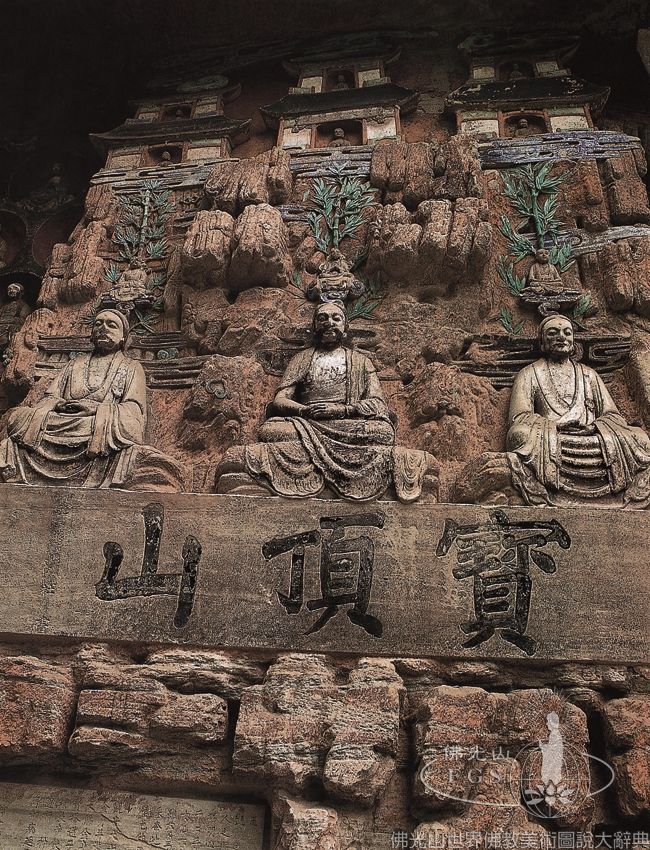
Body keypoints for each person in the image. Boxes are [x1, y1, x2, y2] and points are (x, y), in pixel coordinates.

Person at [244, 301, 396, 500]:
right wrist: (304, 411)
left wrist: (343, 410)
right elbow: (280, 400)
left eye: (336, 318)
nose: (329, 323)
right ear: (314, 326)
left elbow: (377, 404)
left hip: (347, 424)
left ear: (345, 327)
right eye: (322, 318)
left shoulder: (361, 361)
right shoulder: (303, 358)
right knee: (270, 431)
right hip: (308, 422)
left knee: (384, 433)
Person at [506, 315, 650, 503]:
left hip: (592, 438)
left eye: (567, 332)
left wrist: (594, 427)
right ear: (542, 342)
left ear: (573, 341)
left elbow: (612, 415)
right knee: (519, 435)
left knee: (641, 438)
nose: (561, 337)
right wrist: (556, 425)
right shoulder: (529, 373)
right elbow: (519, 417)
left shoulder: (589, 374)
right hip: (551, 438)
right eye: (553, 333)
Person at [0, 309, 147, 488]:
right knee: (18, 417)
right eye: (98, 324)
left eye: (111, 325)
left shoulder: (131, 367)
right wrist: (59, 404)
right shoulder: (74, 363)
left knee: (125, 431)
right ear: (91, 334)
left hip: (94, 425)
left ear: (123, 337)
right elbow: (50, 397)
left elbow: (133, 411)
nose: (103, 328)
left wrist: (94, 409)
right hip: (61, 421)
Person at [0, 282, 31, 350]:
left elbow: (24, 321)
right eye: (9, 289)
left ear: (21, 292)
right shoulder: (4, 307)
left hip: (11, 331)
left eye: (15, 289)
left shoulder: (23, 306)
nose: (11, 290)